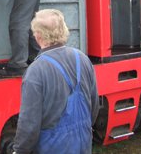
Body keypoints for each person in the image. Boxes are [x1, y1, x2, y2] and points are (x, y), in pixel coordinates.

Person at [12, 9, 99, 154]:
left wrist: (19, 151)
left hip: (52, 147)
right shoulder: (82, 58)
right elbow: (94, 104)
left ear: (38, 36)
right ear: (63, 29)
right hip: (83, 143)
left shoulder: (36, 71)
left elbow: (29, 123)